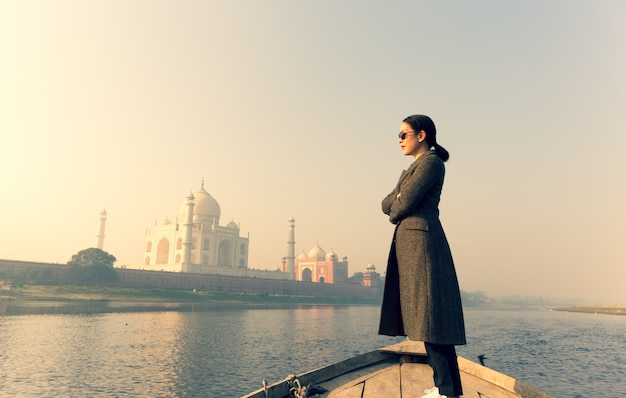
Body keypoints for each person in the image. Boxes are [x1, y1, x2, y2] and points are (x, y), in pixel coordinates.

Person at [378, 114, 466, 398]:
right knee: (427, 319)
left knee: (432, 319)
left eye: (404, 134)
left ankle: (448, 392)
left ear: (422, 135)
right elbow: (386, 203)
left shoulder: (431, 163)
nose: (399, 140)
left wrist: (399, 200)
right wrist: (399, 199)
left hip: (424, 248)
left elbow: (402, 205)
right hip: (414, 248)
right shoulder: (413, 168)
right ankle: (444, 388)